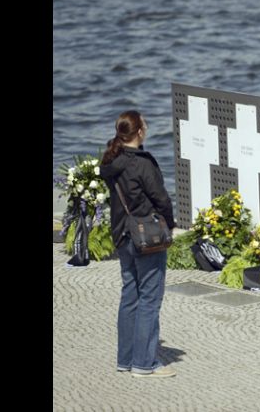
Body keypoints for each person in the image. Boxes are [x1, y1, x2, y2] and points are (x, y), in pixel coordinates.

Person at [100, 110, 177, 378]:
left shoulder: (112, 160)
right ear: (140, 132)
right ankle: (145, 364)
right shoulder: (142, 164)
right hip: (146, 237)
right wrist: (169, 224)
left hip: (122, 234)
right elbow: (161, 199)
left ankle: (126, 359)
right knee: (149, 298)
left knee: (130, 295)